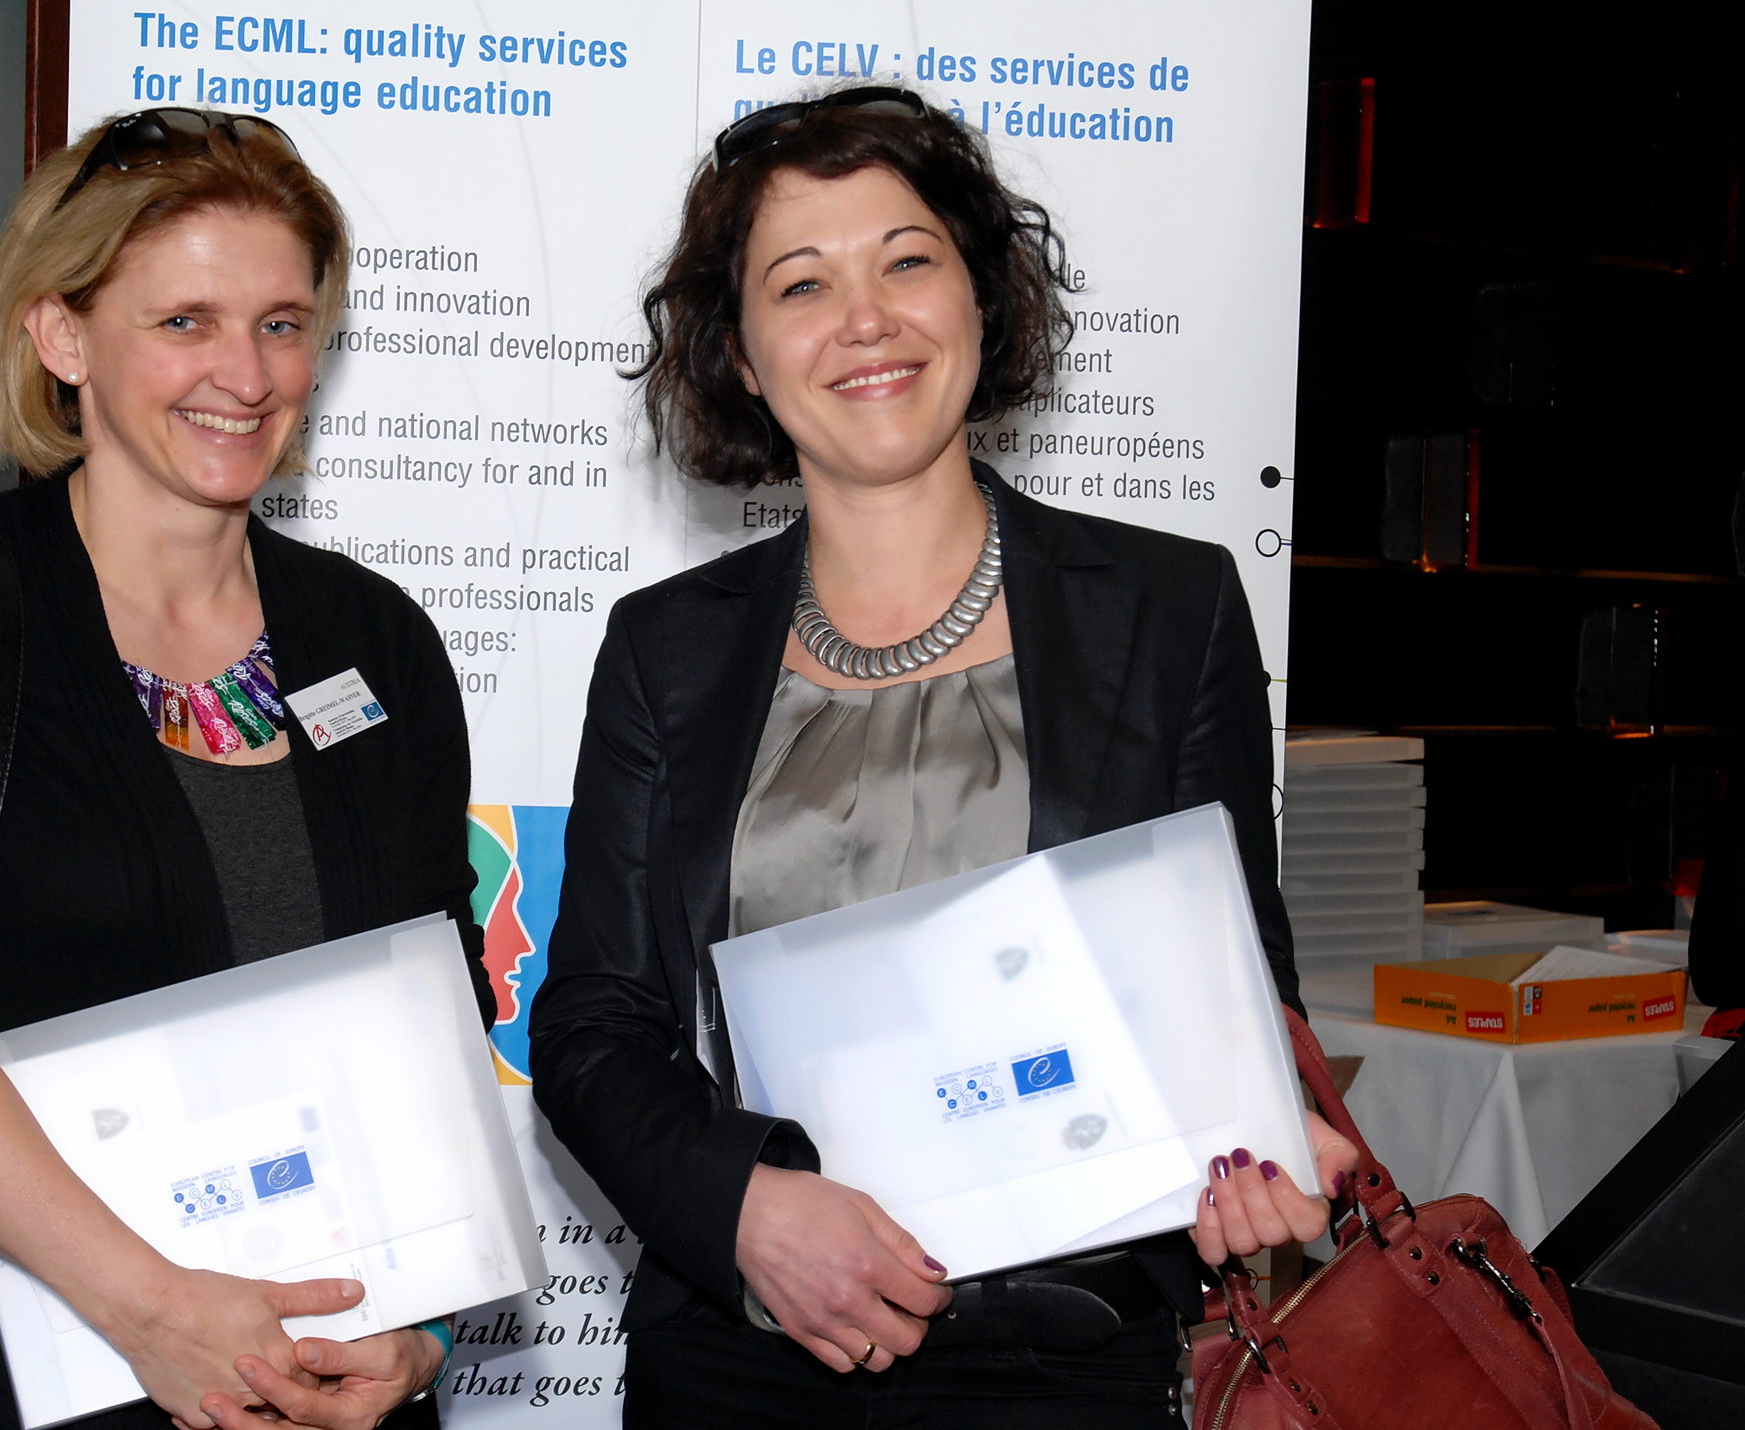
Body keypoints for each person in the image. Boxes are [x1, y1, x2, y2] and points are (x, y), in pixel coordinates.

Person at [530, 86, 1358, 1427]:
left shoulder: (1171, 609)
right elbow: (592, 1026)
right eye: (803, 283)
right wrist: (743, 1209)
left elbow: (1236, 984)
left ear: (979, 296)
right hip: (745, 1361)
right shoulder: (664, 649)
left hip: (1066, 1360)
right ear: (743, 356)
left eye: (907, 261)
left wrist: (1262, 1136)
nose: (866, 319)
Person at [0, 109, 491, 1430]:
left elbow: (438, 1002)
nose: (245, 374)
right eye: (184, 321)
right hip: (0, 1373)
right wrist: (147, 1306)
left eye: (281, 322)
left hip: (331, 1388)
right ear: (63, 336)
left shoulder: (374, 637)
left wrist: (424, 1328)